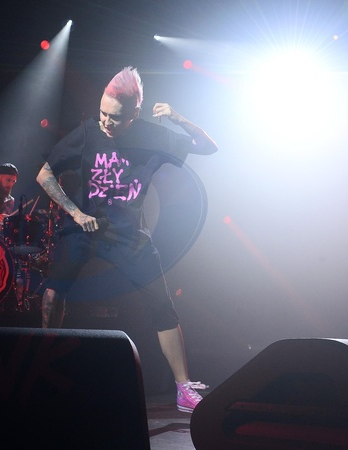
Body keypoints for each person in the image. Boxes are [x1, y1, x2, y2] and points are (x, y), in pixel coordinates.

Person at [36, 67, 218, 413]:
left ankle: (183, 389)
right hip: (84, 227)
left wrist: (178, 118)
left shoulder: (153, 135)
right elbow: (44, 174)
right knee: (53, 291)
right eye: (103, 113)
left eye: (116, 117)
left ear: (135, 113)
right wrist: (75, 212)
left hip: (128, 234)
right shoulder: (88, 132)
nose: (106, 122)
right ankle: (43, 368)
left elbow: (209, 147)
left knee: (162, 305)